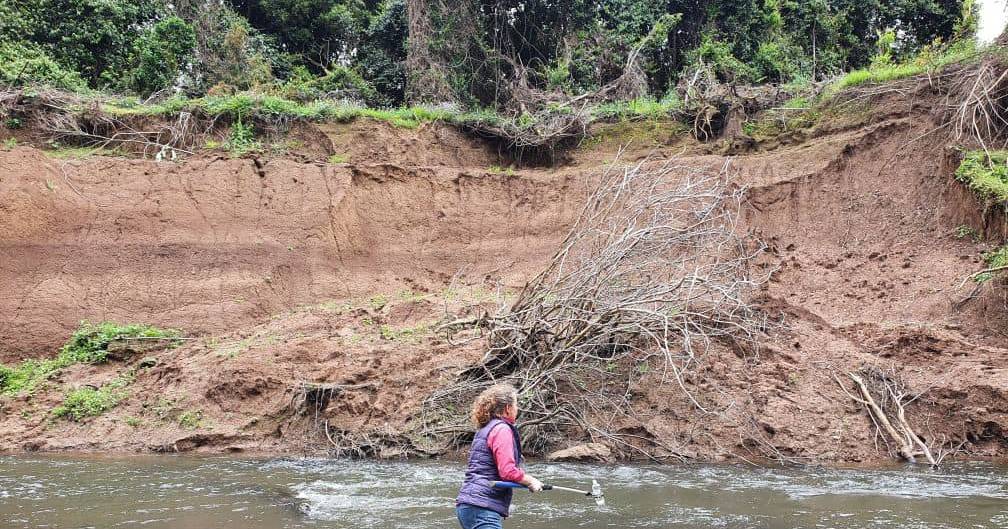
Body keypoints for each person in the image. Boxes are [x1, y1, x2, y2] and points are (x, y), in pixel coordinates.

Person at [456, 383, 544, 529]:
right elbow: (507, 471)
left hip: (469, 505)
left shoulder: (485, 428)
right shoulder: (501, 429)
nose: (517, 409)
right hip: (482, 508)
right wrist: (530, 481)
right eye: (516, 405)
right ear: (508, 408)